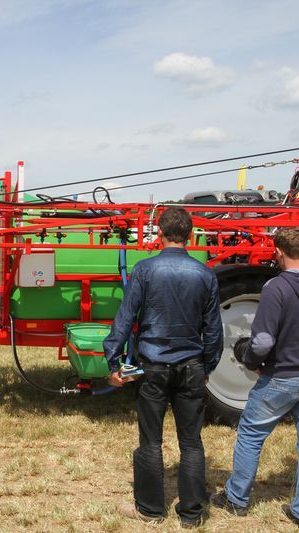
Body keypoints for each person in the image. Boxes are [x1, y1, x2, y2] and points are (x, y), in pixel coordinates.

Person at [103, 206, 222, 528]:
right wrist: (208, 365)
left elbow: (125, 318)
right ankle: (192, 514)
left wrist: (114, 360)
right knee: (192, 442)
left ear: (159, 234)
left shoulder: (144, 269)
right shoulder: (205, 274)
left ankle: (151, 510)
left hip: (153, 364)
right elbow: (213, 330)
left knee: (150, 441)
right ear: (192, 235)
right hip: (192, 365)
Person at [212, 227, 299, 531]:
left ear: (278, 252)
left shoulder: (276, 288)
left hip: (284, 375)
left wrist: (252, 362)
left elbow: (263, 341)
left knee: (251, 434)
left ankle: (236, 498)